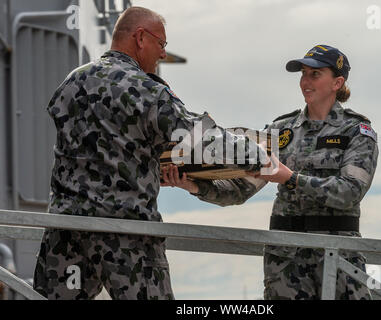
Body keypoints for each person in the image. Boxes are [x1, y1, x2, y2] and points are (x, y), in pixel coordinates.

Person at [33, 6, 265, 300]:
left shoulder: (71, 82)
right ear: (140, 37)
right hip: (126, 236)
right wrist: (256, 153)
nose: (164, 54)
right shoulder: (144, 89)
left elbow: (100, 150)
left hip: (66, 233)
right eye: (162, 43)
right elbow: (198, 137)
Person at [162, 44, 379, 300]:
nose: (305, 82)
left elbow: (349, 192)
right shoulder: (279, 131)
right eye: (303, 74)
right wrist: (195, 186)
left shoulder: (357, 131)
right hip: (287, 264)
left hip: (338, 257)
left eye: (315, 74)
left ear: (337, 82)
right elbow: (240, 190)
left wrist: (291, 178)